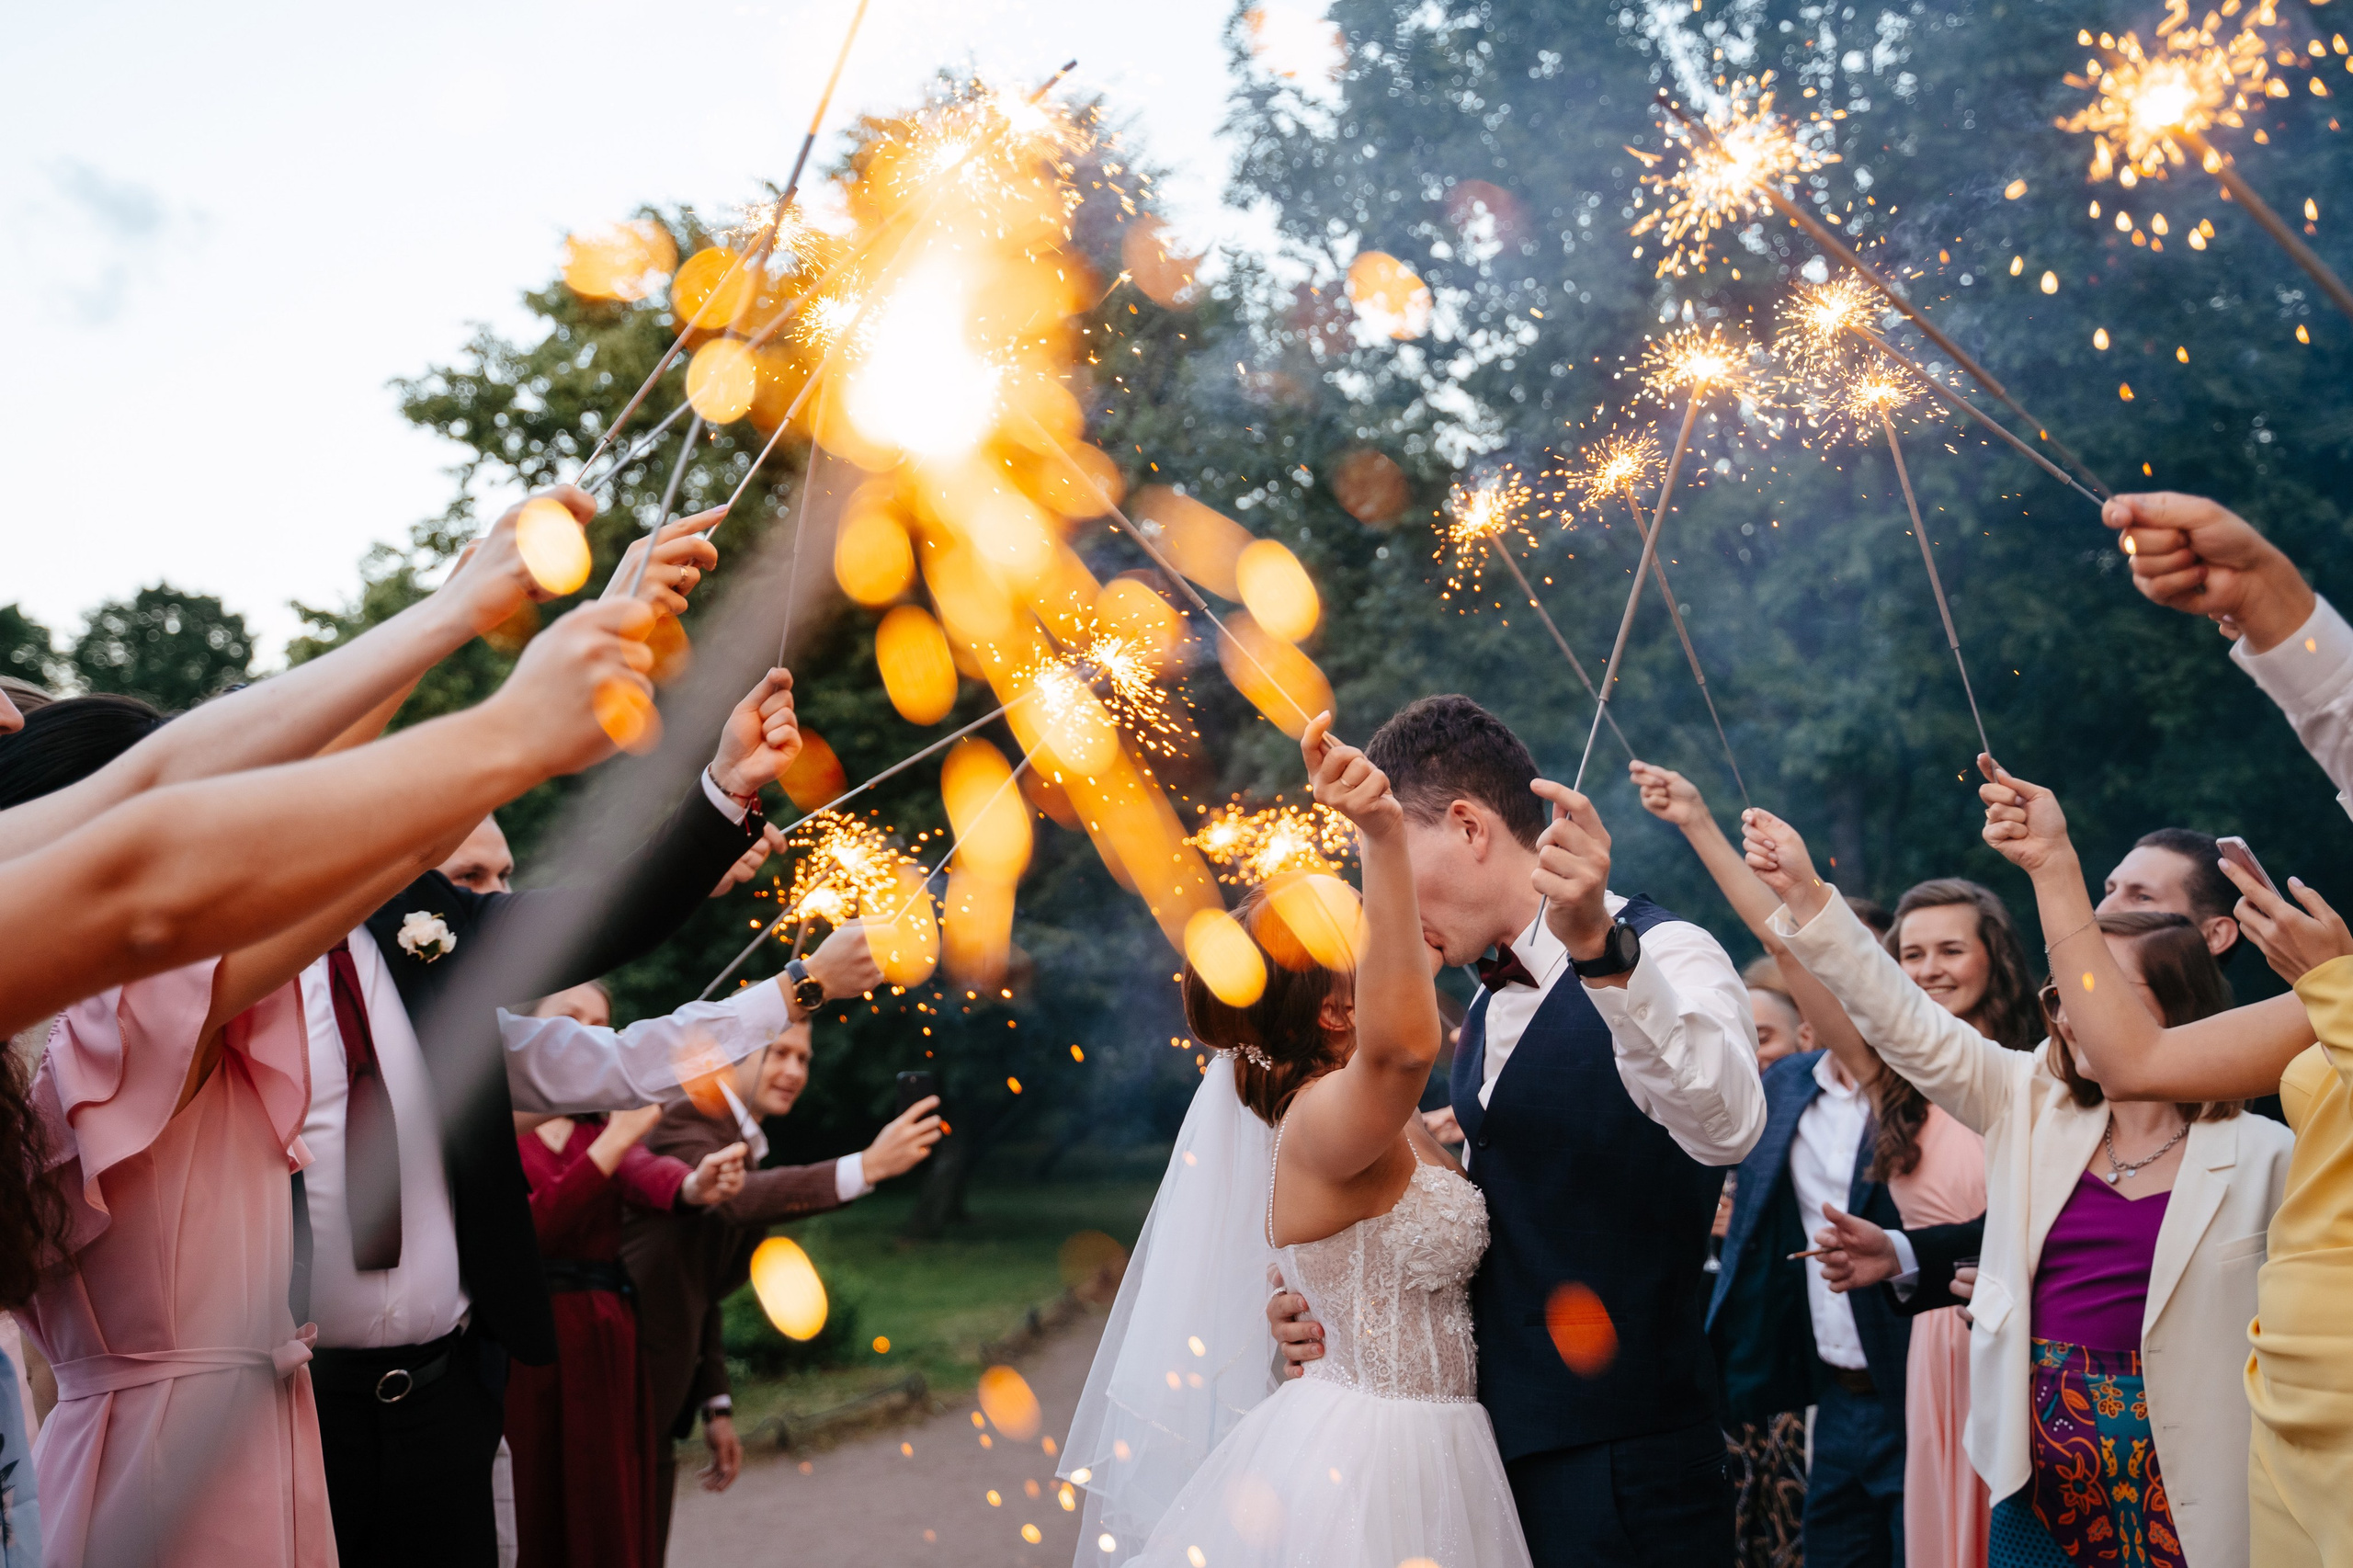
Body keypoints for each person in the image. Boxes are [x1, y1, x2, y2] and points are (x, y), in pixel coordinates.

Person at [294, 664, 802, 1568]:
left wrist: (724, 796)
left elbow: (601, 943)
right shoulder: (230, 979)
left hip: (452, 1390)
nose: (486, 893)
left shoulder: (431, 940)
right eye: (469, 874)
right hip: (292, 1402)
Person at [1262, 697, 1764, 1566]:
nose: (1376, 899)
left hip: (1627, 1462)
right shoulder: (1482, 1009)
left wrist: (1603, 955)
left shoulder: (1669, 951)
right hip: (1471, 1468)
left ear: (1466, 827)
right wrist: (1337, 1312)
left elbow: (1726, 1127)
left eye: (1387, 849)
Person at [1745, 799, 2293, 1567]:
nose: (2073, 1018)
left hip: (2199, 1499)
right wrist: (1806, 895)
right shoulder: (2029, 1099)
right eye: (2066, 996)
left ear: (2180, 1007)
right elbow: (1902, 1019)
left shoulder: (2268, 1153)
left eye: (2107, 997)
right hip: (2038, 1497)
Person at [1066, 711, 1529, 1567]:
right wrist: (1383, 835)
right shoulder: (1322, 1118)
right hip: (1374, 1468)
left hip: (1434, 1444)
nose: (1395, 923)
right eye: (1369, 928)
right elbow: (1401, 1048)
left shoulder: (1395, 1122)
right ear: (1337, 1010)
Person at [1631, 760, 1988, 1568]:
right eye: (1915, 950)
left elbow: (1782, 942)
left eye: (1947, 951)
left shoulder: (1934, 1079)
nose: (1926, 967)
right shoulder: (1788, 1085)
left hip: (1930, 1378)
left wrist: (1704, 829)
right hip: (1825, 1390)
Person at [621, 981, 942, 1562]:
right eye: (781, 1053)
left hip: (662, 1387)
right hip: (619, 1379)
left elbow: (706, 1290)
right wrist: (865, 1165)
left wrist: (715, 1404)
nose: (795, 1071)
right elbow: (738, 1199)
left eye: (804, 1059)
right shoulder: (684, 1119)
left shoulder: (741, 1137)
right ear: (734, 1053)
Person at [504, 981, 749, 1568]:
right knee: (529, 1497)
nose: (585, 1035)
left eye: (599, 1025)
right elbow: (531, 1228)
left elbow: (650, 1175)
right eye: (569, 1017)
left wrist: (697, 1184)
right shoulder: (504, 1133)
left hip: (603, 1341)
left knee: (601, 1499)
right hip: (526, 1341)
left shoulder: (602, 1131)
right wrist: (612, 1143)